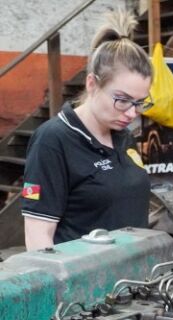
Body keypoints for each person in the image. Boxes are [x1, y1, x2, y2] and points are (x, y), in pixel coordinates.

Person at [21, 10, 153, 250]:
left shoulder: (122, 136)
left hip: (135, 280)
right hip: (85, 282)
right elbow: (38, 240)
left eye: (140, 103)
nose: (132, 113)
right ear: (92, 84)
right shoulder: (53, 141)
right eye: (122, 100)